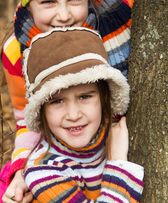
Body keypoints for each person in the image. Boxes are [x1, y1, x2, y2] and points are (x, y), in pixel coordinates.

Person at [0, 0, 135, 203]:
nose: (64, 15)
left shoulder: (118, 15)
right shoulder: (17, 51)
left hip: (113, 144)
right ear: (28, 3)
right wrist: (21, 170)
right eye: (47, 2)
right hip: (64, 164)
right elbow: (26, 119)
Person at [20, 27, 144, 202]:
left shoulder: (116, 131)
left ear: (103, 97)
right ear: (41, 110)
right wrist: (118, 165)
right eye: (57, 101)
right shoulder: (44, 171)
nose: (73, 115)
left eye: (85, 97)